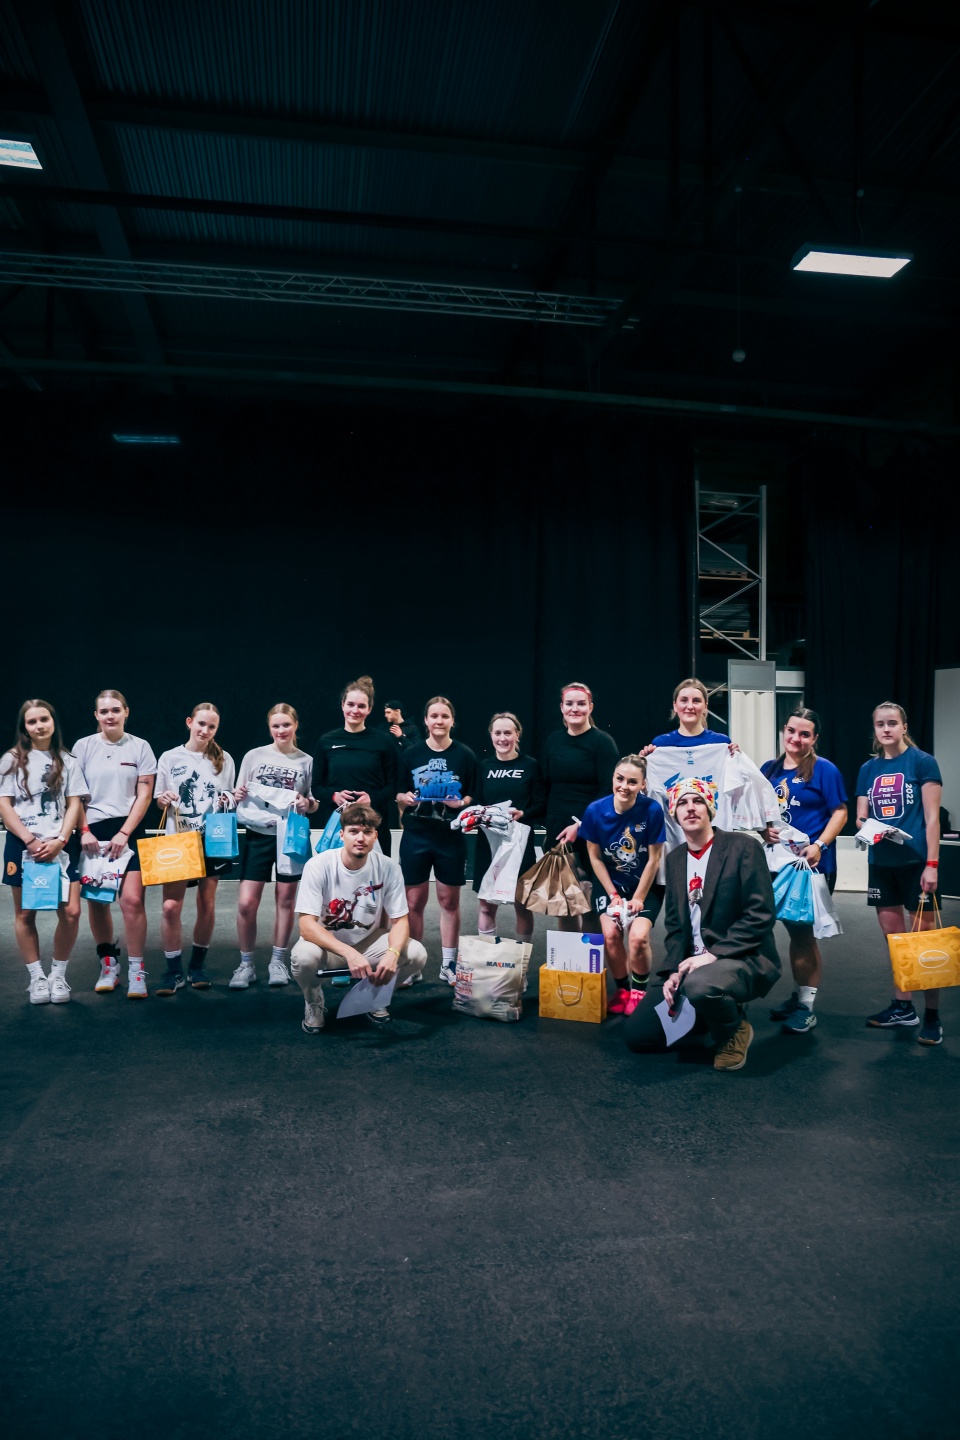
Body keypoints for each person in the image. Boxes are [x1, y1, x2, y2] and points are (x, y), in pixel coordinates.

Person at [623, 779, 781, 1072]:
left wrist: (713, 955)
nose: (690, 808)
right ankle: (710, 1011)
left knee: (700, 986)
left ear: (710, 808)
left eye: (697, 801)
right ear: (675, 814)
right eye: (682, 803)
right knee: (638, 1036)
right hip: (691, 962)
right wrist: (673, 970)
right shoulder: (675, 859)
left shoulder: (743, 847)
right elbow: (674, 926)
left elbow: (760, 914)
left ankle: (734, 1029)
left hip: (739, 956)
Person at [290, 803, 428, 1033]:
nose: (360, 838)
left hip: (368, 942)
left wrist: (392, 954)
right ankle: (313, 1000)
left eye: (367, 832)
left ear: (375, 836)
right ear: (341, 834)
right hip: (328, 946)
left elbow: (401, 921)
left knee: (416, 954)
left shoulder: (389, 867)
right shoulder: (318, 865)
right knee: (303, 957)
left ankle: (375, 996)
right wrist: (348, 953)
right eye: (354, 831)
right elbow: (306, 926)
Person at [857, 701, 944, 1045]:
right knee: (896, 943)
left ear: (904, 727)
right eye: (880, 724)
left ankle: (933, 1017)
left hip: (916, 864)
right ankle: (903, 1007)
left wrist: (932, 865)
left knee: (924, 945)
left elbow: (933, 819)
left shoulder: (922, 762)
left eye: (892, 723)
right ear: (875, 729)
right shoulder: (868, 768)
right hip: (882, 864)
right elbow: (860, 817)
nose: (886, 729)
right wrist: (870, 827)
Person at [761, 708, 848, 1034]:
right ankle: (800, 997)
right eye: (792, 731)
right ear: (784, 730)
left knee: (802, 934)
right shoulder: (769, 769)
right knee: (792, 932)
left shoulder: (824, 769)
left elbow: (840, 812)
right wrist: (762, 830)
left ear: (815, 738)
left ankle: (807, 1008)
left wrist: (820, 845)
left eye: (805, 734)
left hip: (809, 866)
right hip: (776, 864)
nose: (796, 739)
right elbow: (759, 813)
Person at [0, 699, 87, 1005]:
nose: (39, 726)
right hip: (23, 845)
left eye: (44, 719)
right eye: (32, 721)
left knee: (71, 912)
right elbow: (4, 805)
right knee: (25, 913)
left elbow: (75, 803)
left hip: (61, 845)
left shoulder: (68, 760)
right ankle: (37, 978)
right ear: (24, 727)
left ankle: (58, 976)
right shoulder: (10, 760)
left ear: (53, 722)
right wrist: (29, 840)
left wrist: (61, 839)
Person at [73, 690, 157, 999]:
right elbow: (75, 795)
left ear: (126, 712)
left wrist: (124, 833)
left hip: (130, 831)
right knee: (98, 900)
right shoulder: (82, 747)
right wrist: (84, 831)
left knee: (132, 901)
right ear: (96, 715)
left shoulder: (140, 747)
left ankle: (137, 971)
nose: (110, 715)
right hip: (92, 833)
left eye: (115, 710)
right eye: (104, 711)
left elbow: (144, 795)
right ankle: (109, 966)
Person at [231, 703, 318, 990]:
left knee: (286, 900)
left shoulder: (307, 760)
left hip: (290, 836)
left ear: (296, 725)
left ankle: (277, 962)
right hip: (257, 835)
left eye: (286, 725)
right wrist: (237, 794)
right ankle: (246, 964)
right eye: (276, 726)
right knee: (246, 903)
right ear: (269, 728)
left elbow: (313, 802)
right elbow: (238, 793)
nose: (281, 730)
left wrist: (306, 803)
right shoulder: (254, 756)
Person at [152, 703, 237, 996]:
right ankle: (173, 971)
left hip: (212, 838)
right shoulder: (170, 757)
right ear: (189, 722)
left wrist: (228, 799)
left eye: (211, 726)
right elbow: (159, 799)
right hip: (179, 839)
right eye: (201, 724)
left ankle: (197, 967)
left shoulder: (224, 758)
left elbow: (230, 796)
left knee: (206, 903)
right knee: (170, 906)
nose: (205, 730)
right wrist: (163, 799)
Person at [397, 696, 477, 985]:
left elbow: (473, 794)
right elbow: (398, 792)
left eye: (444, 716)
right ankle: (413, 965)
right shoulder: (411, 754)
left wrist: (462, 802)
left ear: (452, 720)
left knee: (449, 901)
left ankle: (448, 964)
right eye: (434, 716)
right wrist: (405, 798)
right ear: (426, 721)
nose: (439, 721)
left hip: (449, 837)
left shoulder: (465, 755)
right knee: (413, 901)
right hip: (416, 835)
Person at [580, 754, 665, 1017]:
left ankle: (638, 992)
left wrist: (638, 898)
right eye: (620, 779)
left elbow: (654, 859)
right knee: (611, 935)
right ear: (613, 778)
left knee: (638, 938)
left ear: (643, 784)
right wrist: (613, 894)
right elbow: (594, 857)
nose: (624, 786)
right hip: (611, 884)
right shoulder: (595, 810)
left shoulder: (652, 810)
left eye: (632, 781)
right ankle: (622, 990)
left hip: (645, 885)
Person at [540, 682, 619, 931]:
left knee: (590, 904)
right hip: (558, 831)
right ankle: (568, 956)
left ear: (590, 707)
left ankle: (590, 956)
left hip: (592, 831)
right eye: (570, 704)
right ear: (561, 708)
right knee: (565, 903)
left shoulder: (602, 742)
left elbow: (609, 791)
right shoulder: (553, 741)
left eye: (581, 704)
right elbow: (544, 785)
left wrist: (582, 825)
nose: (575, 709)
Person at [473, 712, 545, 943]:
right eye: (497, 733)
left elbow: (541, 804)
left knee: (522, 905)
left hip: (519, 846)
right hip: (488, 844)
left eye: (507, 732)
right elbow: (476, 801)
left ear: (517, 735)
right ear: (491, 735)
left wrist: (524, 814)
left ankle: (521, 962)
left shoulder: (530, 765)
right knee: (486, 906)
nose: (502, 738)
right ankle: (487, 959)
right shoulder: (483, 767)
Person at [314, 676, 398, 856]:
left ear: (369, 709)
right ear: (342, 705)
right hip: (338, 826)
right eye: (350, 704)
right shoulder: (327, 741)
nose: (355, 710)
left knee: (376, 874)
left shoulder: (383, 741)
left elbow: (393, 786)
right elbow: (316, 787)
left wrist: (372, 799)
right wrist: (334, 796)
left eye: (361, 706)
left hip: (374, 825)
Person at [642, 677, 734, 753]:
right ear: (675, 706)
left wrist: (736, 756)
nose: (690, 706)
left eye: (696, 701)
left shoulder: (721, 743)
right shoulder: (660, 744)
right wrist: (644, 762)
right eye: (684, 700)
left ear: (705, 707)